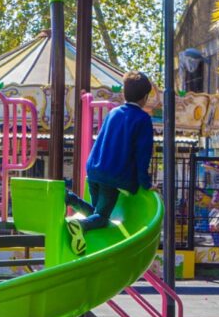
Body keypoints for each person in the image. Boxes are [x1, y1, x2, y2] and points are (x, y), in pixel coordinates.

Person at [65, 71, 156, 255]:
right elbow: (142, 155)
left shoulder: (113, 113)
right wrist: (145, 183)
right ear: (145, 97)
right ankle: (79, 225)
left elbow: (101, 141)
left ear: (124, 93)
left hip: (94, 170)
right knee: (103, 219)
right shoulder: (142, 119)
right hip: (112, 176)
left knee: (97, 213)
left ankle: (70, 199)